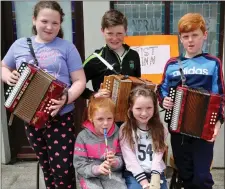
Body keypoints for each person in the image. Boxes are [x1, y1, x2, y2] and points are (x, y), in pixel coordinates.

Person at [1, 1, 86, 188]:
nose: (50, 27)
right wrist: (9, 77)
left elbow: (80, 80)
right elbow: (3, 66)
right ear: (34, 20)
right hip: (31, 117)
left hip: (61, 117)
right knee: (47, 167)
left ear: (60, 24)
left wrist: (66, 99)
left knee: (63, 170)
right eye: (44, 21)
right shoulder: (19, 45)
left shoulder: (67, 47)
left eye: (55, 23)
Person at [156, 13, 225, 189]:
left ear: (205, 35)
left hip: (204, 132)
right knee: (185, 174)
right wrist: (164, 101)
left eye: (195, 35)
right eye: (186, 37)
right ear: (180, 39)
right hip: (178, 132)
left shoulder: (213, 63)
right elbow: (161, 90)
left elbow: (221, 97)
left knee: (202, 177)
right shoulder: (172, 64)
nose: (190, 41)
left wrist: (217, 124)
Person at [81, 9, 141, 99]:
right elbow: (75, 85)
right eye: (110, 33)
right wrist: (94, 95)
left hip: (130, 112)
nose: (114, 38)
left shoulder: (134, 55)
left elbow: (138, 83)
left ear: (126, 31)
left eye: (119, 33)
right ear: (102, 31)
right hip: (104, 111)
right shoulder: (95, 59)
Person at [119, 85, 168, 189]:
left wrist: (155, 177)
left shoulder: (161, 128)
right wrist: (145, 184)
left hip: (156, 171)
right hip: (134, 173)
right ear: (131, 108)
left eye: (149, 108)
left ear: (154, 107)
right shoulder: (125, 130)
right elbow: (130, 159)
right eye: (138, 108)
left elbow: (159, 152)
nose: (144, 113)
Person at [73, 97, 127, 189]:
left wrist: (115, 162)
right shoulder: (82, 137)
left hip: (112, 174)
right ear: (91, 118)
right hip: (89, 175)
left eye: (109, 118)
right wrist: (97, 169)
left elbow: (122, 160)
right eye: (100, 119)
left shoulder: (117, 133)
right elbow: (79, 165)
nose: (105, 123)